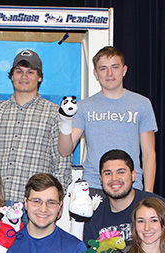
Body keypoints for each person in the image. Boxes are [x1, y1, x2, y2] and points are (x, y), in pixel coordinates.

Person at [0, 49, 71, 202]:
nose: (24, 77)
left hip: (33, 206)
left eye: (30, 72)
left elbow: (62, 164)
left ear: (40, 77)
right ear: (12, 75)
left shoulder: (55, 113)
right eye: (19, 71)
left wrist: (54, 202)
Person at [58, 46, 158, 191]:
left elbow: (149, 154)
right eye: (103, 68)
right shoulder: (84, 107)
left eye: (115, 67)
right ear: (96, 74)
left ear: (124, 70)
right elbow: (65, 150)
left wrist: (148, 194)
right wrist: (65, 122)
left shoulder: (142, 104)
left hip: (131, 186)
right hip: (94, 186)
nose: (109, 73)